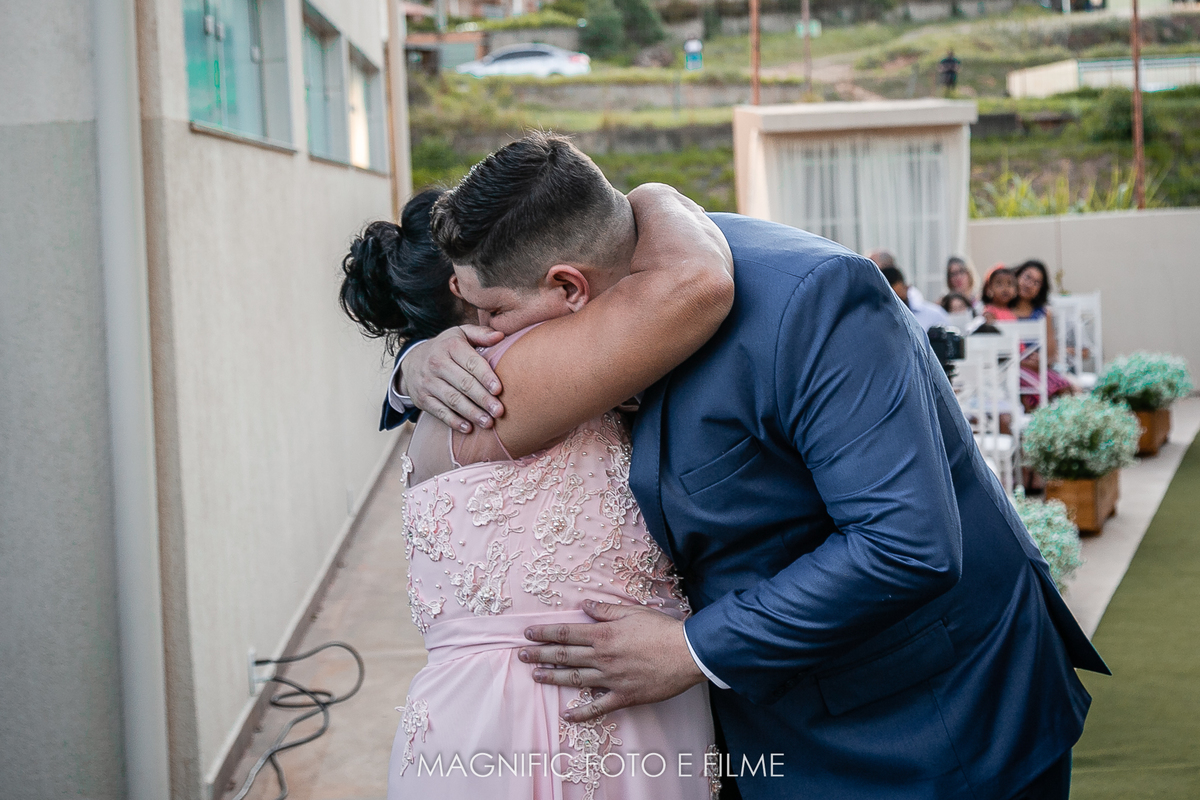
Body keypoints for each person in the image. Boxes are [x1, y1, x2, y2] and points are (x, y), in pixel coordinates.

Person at [388, 133, 1108, 800]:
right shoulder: (600, 311)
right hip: (759, 726)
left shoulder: (814, 301)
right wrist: (413, 363)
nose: (481, 337)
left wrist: (691, 650)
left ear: (570, 288)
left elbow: (904, 542)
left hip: (928, 718)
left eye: (492, 313)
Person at [344, 185, 735, 799]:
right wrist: (647, 192)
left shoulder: (496, 378)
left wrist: (410, 362)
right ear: (470, 301)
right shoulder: (502, 382)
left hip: (588, 705)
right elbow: (696, 280)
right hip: (545, 722)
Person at [1010, 259, 1074, 409]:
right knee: (1030, 396)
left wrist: (1041, 361)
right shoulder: (1002, 311)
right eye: (1027, 277)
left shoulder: (1043, 314)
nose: (1029, 284)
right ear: (1017, 276)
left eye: (1036, 282)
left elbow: (1051, 354)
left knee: (1065, 389)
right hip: (1010, 371)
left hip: (1038, 369)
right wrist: (1021, 362)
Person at [881, 265, 951, 332]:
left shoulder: (934, 316)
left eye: (899, 297)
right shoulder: (879, 323)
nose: (896, 304)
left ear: (907, 288)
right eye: (889, 300)